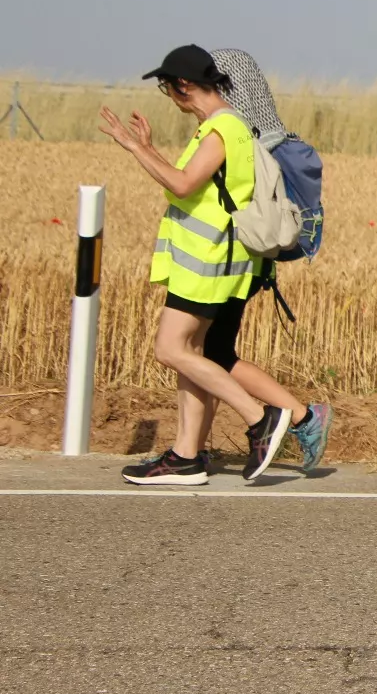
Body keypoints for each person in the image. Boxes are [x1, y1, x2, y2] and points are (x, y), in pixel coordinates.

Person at [99, 45, 299, 484]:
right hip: (210, 259)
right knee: (191, 355)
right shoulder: (223, 125)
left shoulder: (223, 128)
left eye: (167, 86)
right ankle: (185, 456)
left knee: (169, 349)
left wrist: (136, 148)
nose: (167, 94)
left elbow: (183, 183)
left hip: (208, 260)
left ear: (185, 85)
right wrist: (149, 147)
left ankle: (259, 417)